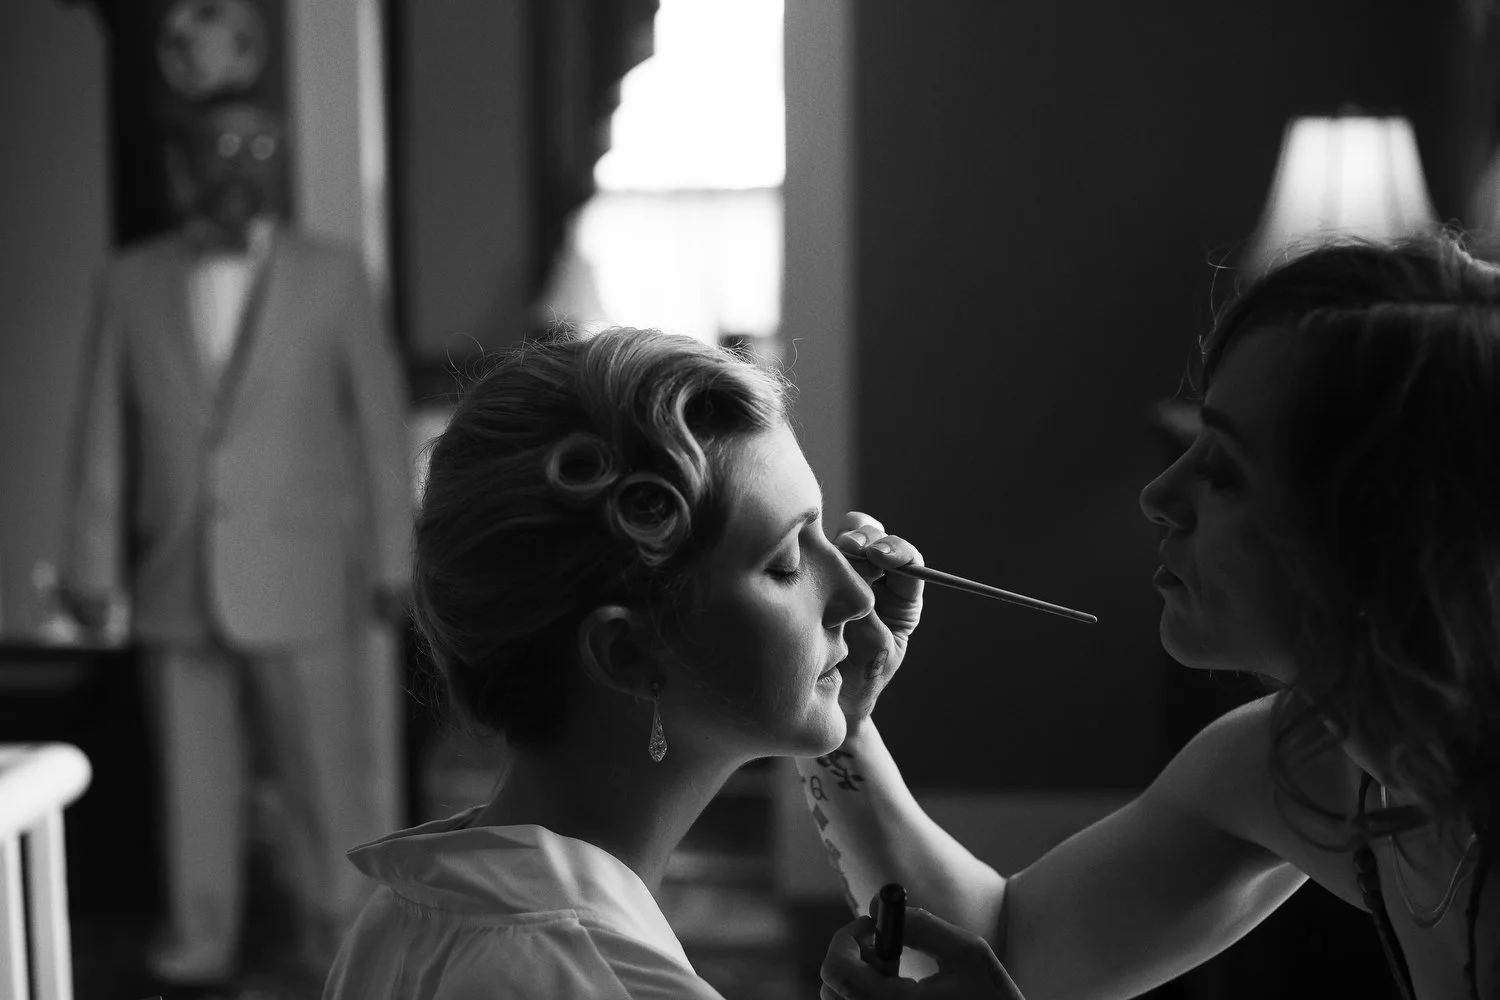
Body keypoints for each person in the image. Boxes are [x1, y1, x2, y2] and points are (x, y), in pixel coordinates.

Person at [813, 233, 1500, 1000]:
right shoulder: (1307, 759)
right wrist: (840, 711)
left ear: (1390, 530)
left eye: (1225, 470)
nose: (1160, 497)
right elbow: (1012, 945)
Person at [322, 325, 926, 998]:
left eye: (822, 530)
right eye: (786, 562)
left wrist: (837, 698)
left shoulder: (400, 917)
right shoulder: (612, 983)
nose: (853, 593)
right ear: (627, 652)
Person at [59, 97, 412, 990]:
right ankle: (197, 942)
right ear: (183, 162)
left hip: (303, 575)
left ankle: (339, 942)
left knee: (325, 777)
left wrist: (393, 560)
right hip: (173, 569)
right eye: (220, 146)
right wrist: (91, 564)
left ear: (282, 162)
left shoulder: (334, 277)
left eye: (261, 146)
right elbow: (100, 432)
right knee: (192, 780)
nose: (241, 163)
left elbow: (378, 431)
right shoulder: (129, 280)